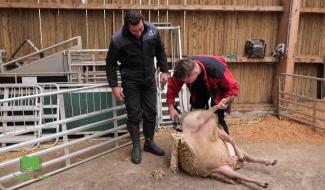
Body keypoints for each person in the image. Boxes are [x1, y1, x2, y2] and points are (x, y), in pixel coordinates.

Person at [106, 10, 169, 164]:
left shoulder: (153, 31)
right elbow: (110, 63)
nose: (139, 33)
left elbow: (160, 51)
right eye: (135, 31)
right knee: (134, 114)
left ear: (143, 21)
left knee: (151, 112)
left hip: (149, 79)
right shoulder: (118, 39)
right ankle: (135, 146)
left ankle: (149, 142)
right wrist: (114, 86)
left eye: (141, 29)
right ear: (127, 26)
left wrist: (165, 70)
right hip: (130, 81)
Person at [167, 55, 239, 134]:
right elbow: (172, 87)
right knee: (196, 112)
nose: (185, 83)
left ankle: (225, 143)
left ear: (195, 72)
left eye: (187, 81)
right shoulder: (183, 69)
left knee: (218, 117)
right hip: (199, 88)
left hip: (216, 86)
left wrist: (226, 99)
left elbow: (233, 88)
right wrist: (171, 107)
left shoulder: (218, 70)